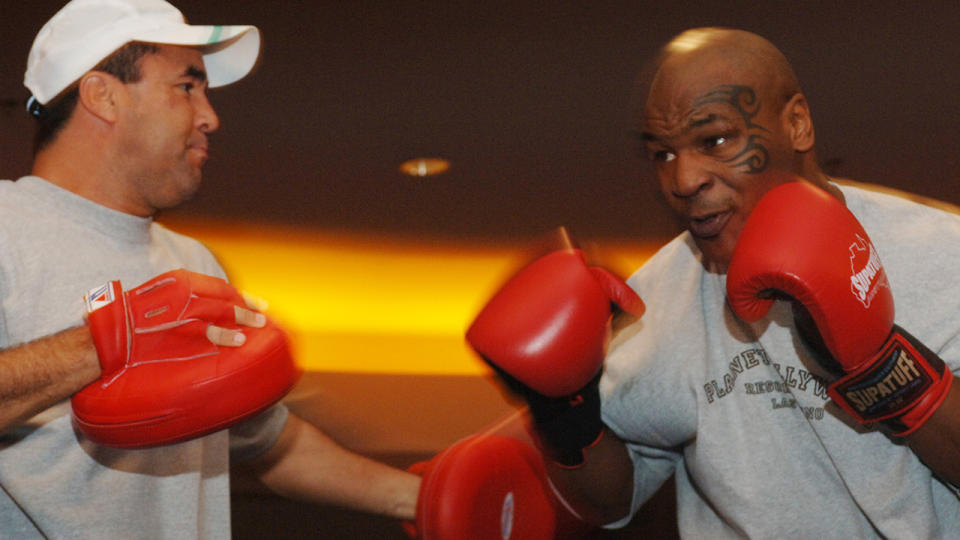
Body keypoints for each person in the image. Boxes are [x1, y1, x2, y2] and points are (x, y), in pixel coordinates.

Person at [465, 27, 960, 538]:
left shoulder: (943, 255)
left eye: (714, 140)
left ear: (797, 124)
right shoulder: (654, 298)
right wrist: (562, 415)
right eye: (663, 153)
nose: (683, 180)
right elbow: (611, 501)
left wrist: (881, 362)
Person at [0, 0, 418, 537]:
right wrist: (106, 340)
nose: (210, 117)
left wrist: (429, 499)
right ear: (103, 96)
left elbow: (270, 443)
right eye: (187, 86)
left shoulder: (193, 262)